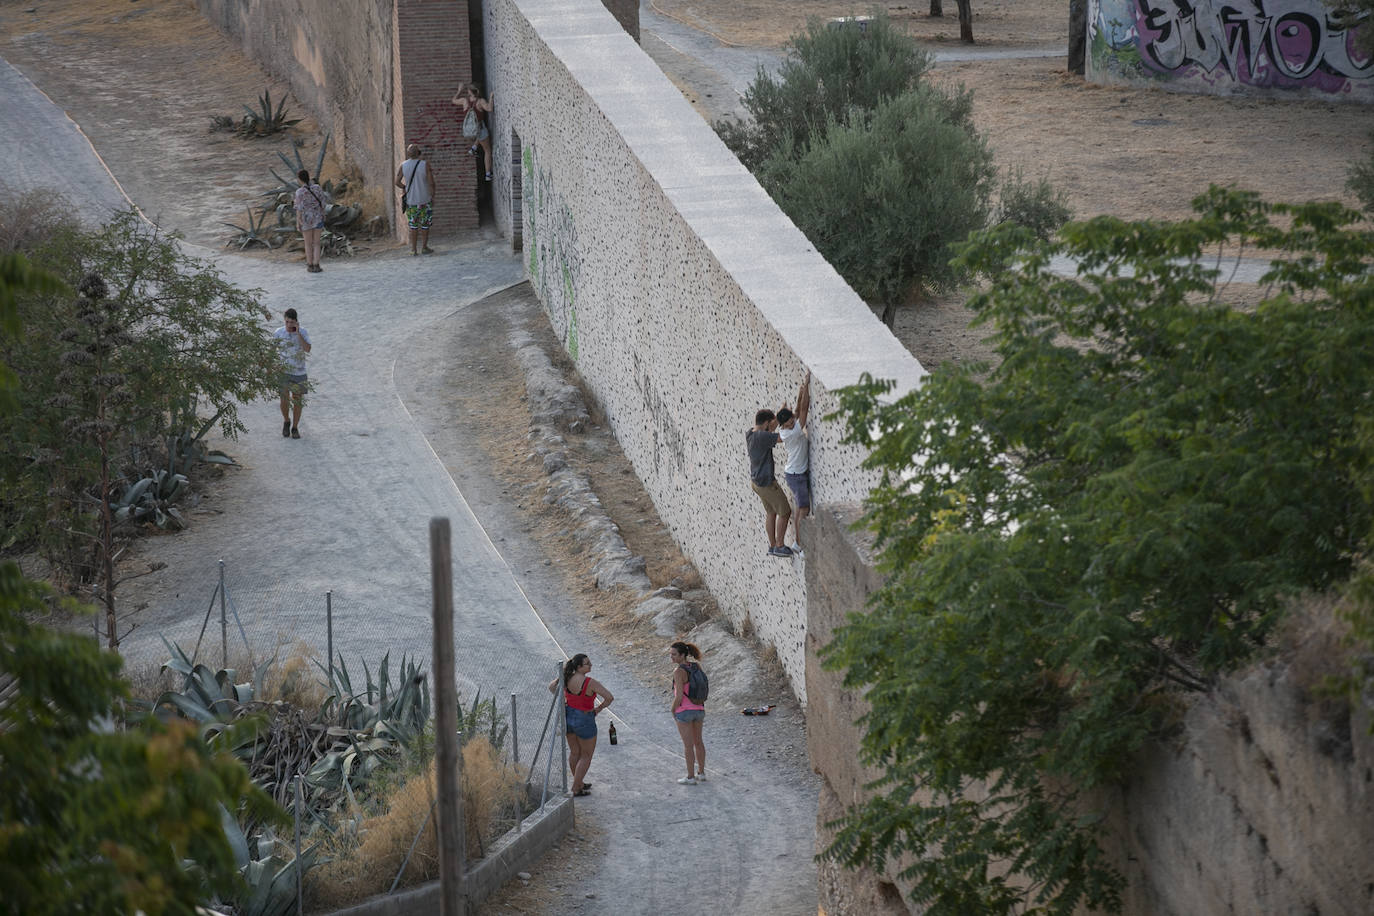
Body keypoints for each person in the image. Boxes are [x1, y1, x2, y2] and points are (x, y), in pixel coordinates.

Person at [548, 654, 613, 797]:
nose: (591, 665)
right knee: (586, 755)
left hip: (568, 716)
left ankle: (579, 782)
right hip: (585, 718)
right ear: (579, 667)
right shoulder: (590, 682)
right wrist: (598, 709)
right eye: (587, 664)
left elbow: (552, 687)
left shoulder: (567, 677)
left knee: (575, 752)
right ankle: (576, 787)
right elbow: (609, 697)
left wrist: (565, 698)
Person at [775, 371, 811, 558]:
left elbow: (797, 410)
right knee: (803, 508)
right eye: (788, 423)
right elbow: (803, 409)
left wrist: (801, 391)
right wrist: (807, 386)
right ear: (783, 425)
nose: (792, 423)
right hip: (796, 475)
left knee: (800, 508)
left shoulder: (789, 428)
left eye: (791, 422)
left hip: (795, 473)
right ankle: (799, 543)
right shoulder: (793, 432)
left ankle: (798, 543)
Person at [747, 408, 792, 557]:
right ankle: (779, 545)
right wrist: (789, 422)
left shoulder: (751, 433)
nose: (773, 426)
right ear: (766, 423)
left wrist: (779, 416)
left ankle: (772, 545)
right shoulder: (762, 437)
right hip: (767, 484)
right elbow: (781, 438)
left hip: (756, 482)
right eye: (771, 423)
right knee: (785, 512)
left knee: (771, 512)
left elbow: (769, 429)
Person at [669, 642, 707, 785]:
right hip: (699, 709)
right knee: (699, 742)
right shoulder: (696, 667)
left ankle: (690, 777)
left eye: (674, 654)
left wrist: (673, 709)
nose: (671, 657)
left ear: (682, 655)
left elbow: (678, 696)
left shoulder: (678, 672)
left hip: (684, 712)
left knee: (688, 746)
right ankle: (701, 773)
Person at [273, 308, 312, 439]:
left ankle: (295, 427)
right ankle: (286, 421)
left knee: (297, 400)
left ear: (296, 321)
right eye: (287, 322)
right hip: (283, 371)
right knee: (284, 398)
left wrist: (298, 333)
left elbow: (307, 349)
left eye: (292, 322)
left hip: (299, 372)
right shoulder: (279, 332)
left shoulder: (303, 332)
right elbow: (272, 350)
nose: (289, 325)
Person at [394, 143, 436, 255]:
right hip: (425, 200)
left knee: (413, 226)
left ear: (408, 154)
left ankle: (413, 250)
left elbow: (396, 182)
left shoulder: (403, 165)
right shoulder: (425, 164)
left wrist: (405, 187)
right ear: (419, 153)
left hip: (411, 202)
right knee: (425, 225)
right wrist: (432, 196)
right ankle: (424, 247)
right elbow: (431, 183)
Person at [451, 83, 494, 182]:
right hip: (480, 129)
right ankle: (488, 174)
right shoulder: (480, 101)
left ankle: (473, 148)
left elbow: (453, 100)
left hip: (470, 130)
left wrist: (459, 90)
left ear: (469, 92)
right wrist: (491, 97)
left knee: (481, 136)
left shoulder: (464, 101)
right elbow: (490, 108)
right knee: (487, 150)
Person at [293, 169, 329, 273]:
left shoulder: (299, 192)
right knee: (317, 243)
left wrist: (298, 221)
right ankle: (316, 264)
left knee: (308, 244)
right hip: (318, 218)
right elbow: (323, 203)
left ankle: (310, 265)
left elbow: (299, 208)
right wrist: (323, 215)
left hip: (306, 219)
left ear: (300, 179)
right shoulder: (317, 188)